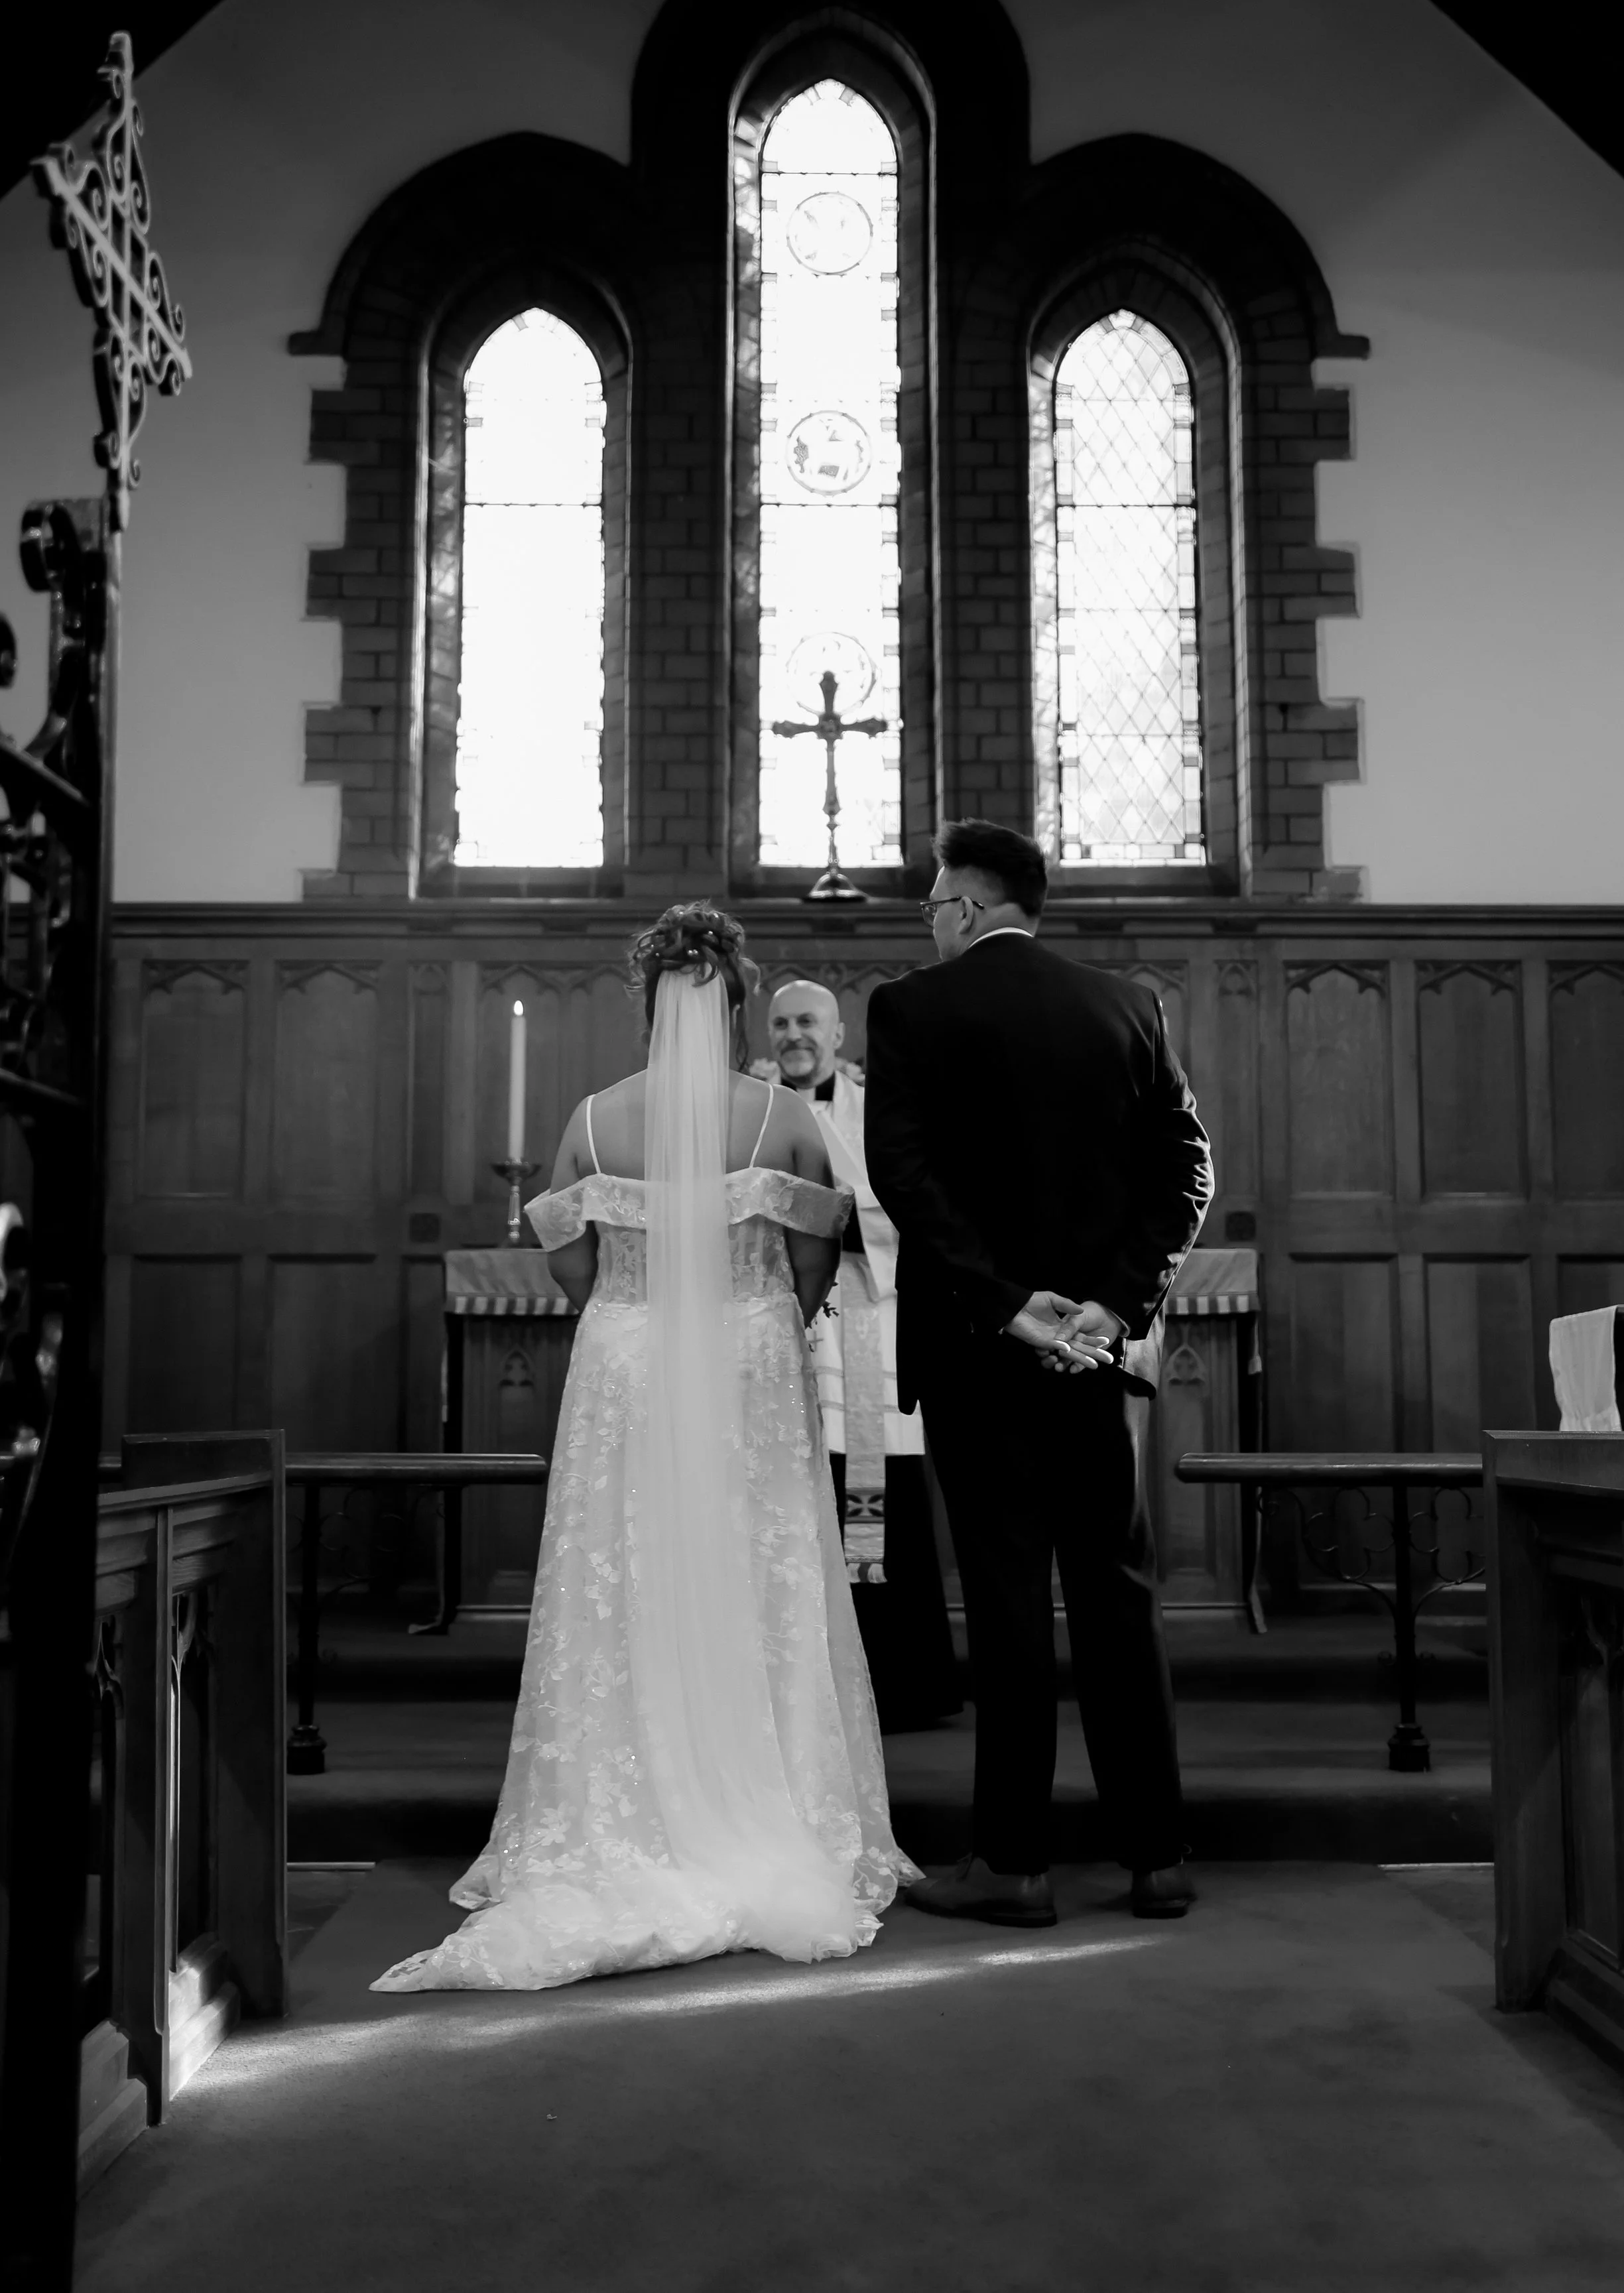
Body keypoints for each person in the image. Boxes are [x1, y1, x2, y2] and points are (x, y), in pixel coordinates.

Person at [374, 903, 917, 1993]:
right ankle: (764, 1801)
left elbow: (569, 1269)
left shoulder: (591, 1119)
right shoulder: (786, 1122)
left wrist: (637, 1302)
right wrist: (753, 1308)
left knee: (622, 1577)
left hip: (626, 1359)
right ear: (735, 1003)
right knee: (758, 1573)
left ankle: (614, 1814)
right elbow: (814, 1273)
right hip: (749, 1361)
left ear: (647, 1004)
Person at [864, 821, 1213, 1928]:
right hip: (1094, 1355)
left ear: (965, 906)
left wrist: (1013, 1308)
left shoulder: (913, 1009)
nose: (929, 920)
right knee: (1116, 1594)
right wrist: (1112, 1304)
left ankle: (1013, 1864)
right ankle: (1154, 1855)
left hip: (980, 1355)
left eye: (932, 901)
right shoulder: (1127, 1006)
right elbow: (1187, 1169)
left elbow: (907, 1182)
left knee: (1010, 1597)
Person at [763, 979, 964, 1731]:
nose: (794, 1035)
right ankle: (795, 1689)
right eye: (780, 1022)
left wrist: (834, 1216)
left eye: (807, 1021)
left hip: (861, 1325)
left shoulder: (875, 1107)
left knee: (877, 1504)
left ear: (838, 1032)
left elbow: (909, 1203)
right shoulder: (747, 1105)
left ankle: (899, 1680)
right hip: (777, 1324)